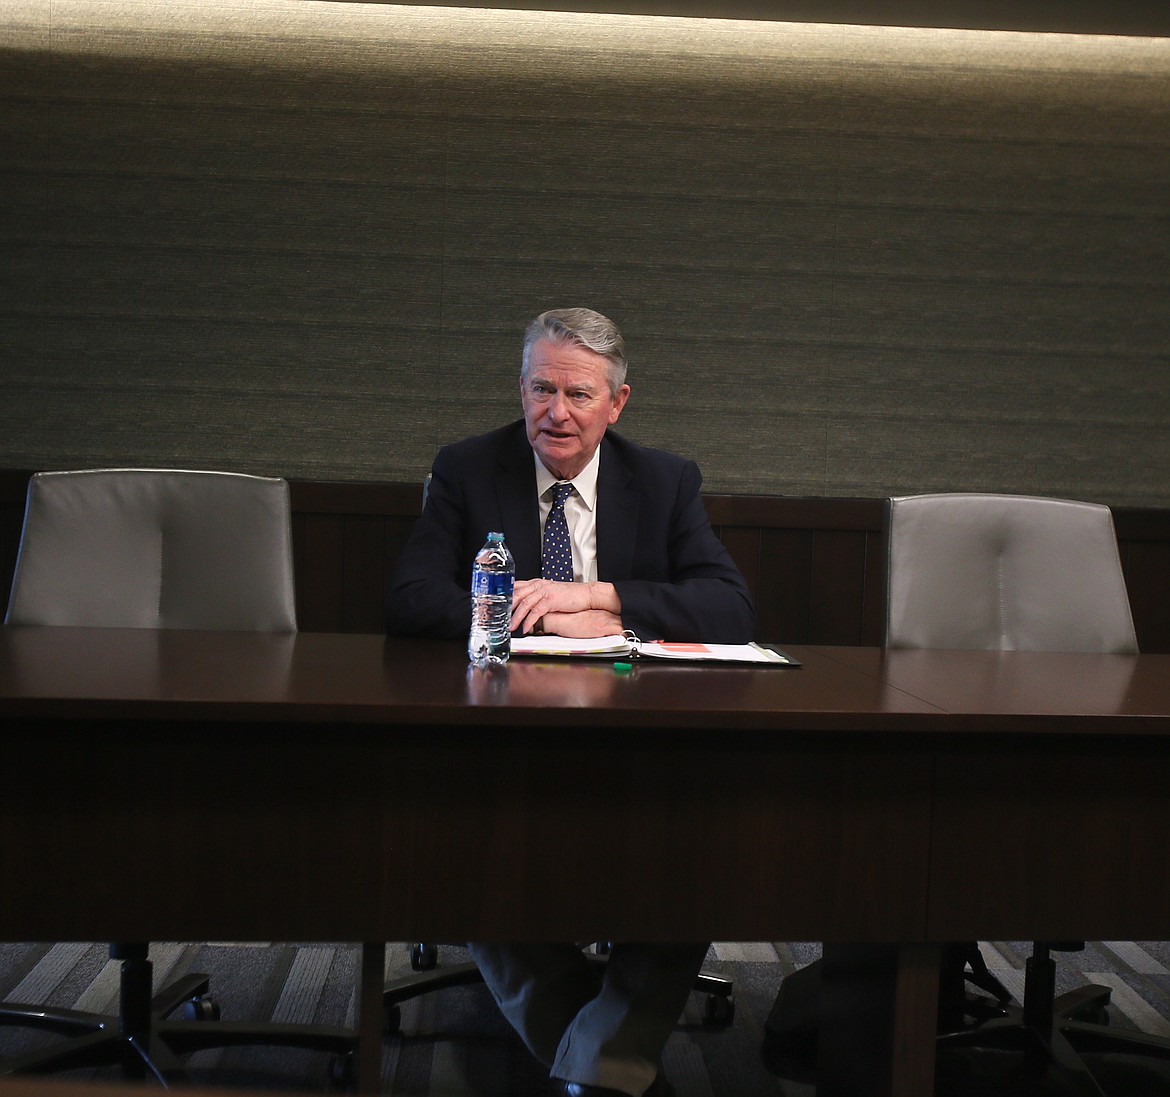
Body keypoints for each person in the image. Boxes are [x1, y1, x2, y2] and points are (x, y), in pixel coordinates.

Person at [385, 307, 755, 1097]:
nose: (557, 411)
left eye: (579, 394)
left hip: (638, 738)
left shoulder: (663, 479)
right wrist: (543, 612)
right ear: (520, 392)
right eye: (541, 388)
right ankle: (610, 1068)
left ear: (617, 403)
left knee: (697, 848)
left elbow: (730, 606)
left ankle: (596, 1066)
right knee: (477, 847)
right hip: (498, 735)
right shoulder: (467, 467)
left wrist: (601, 596)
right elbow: (412, 598)